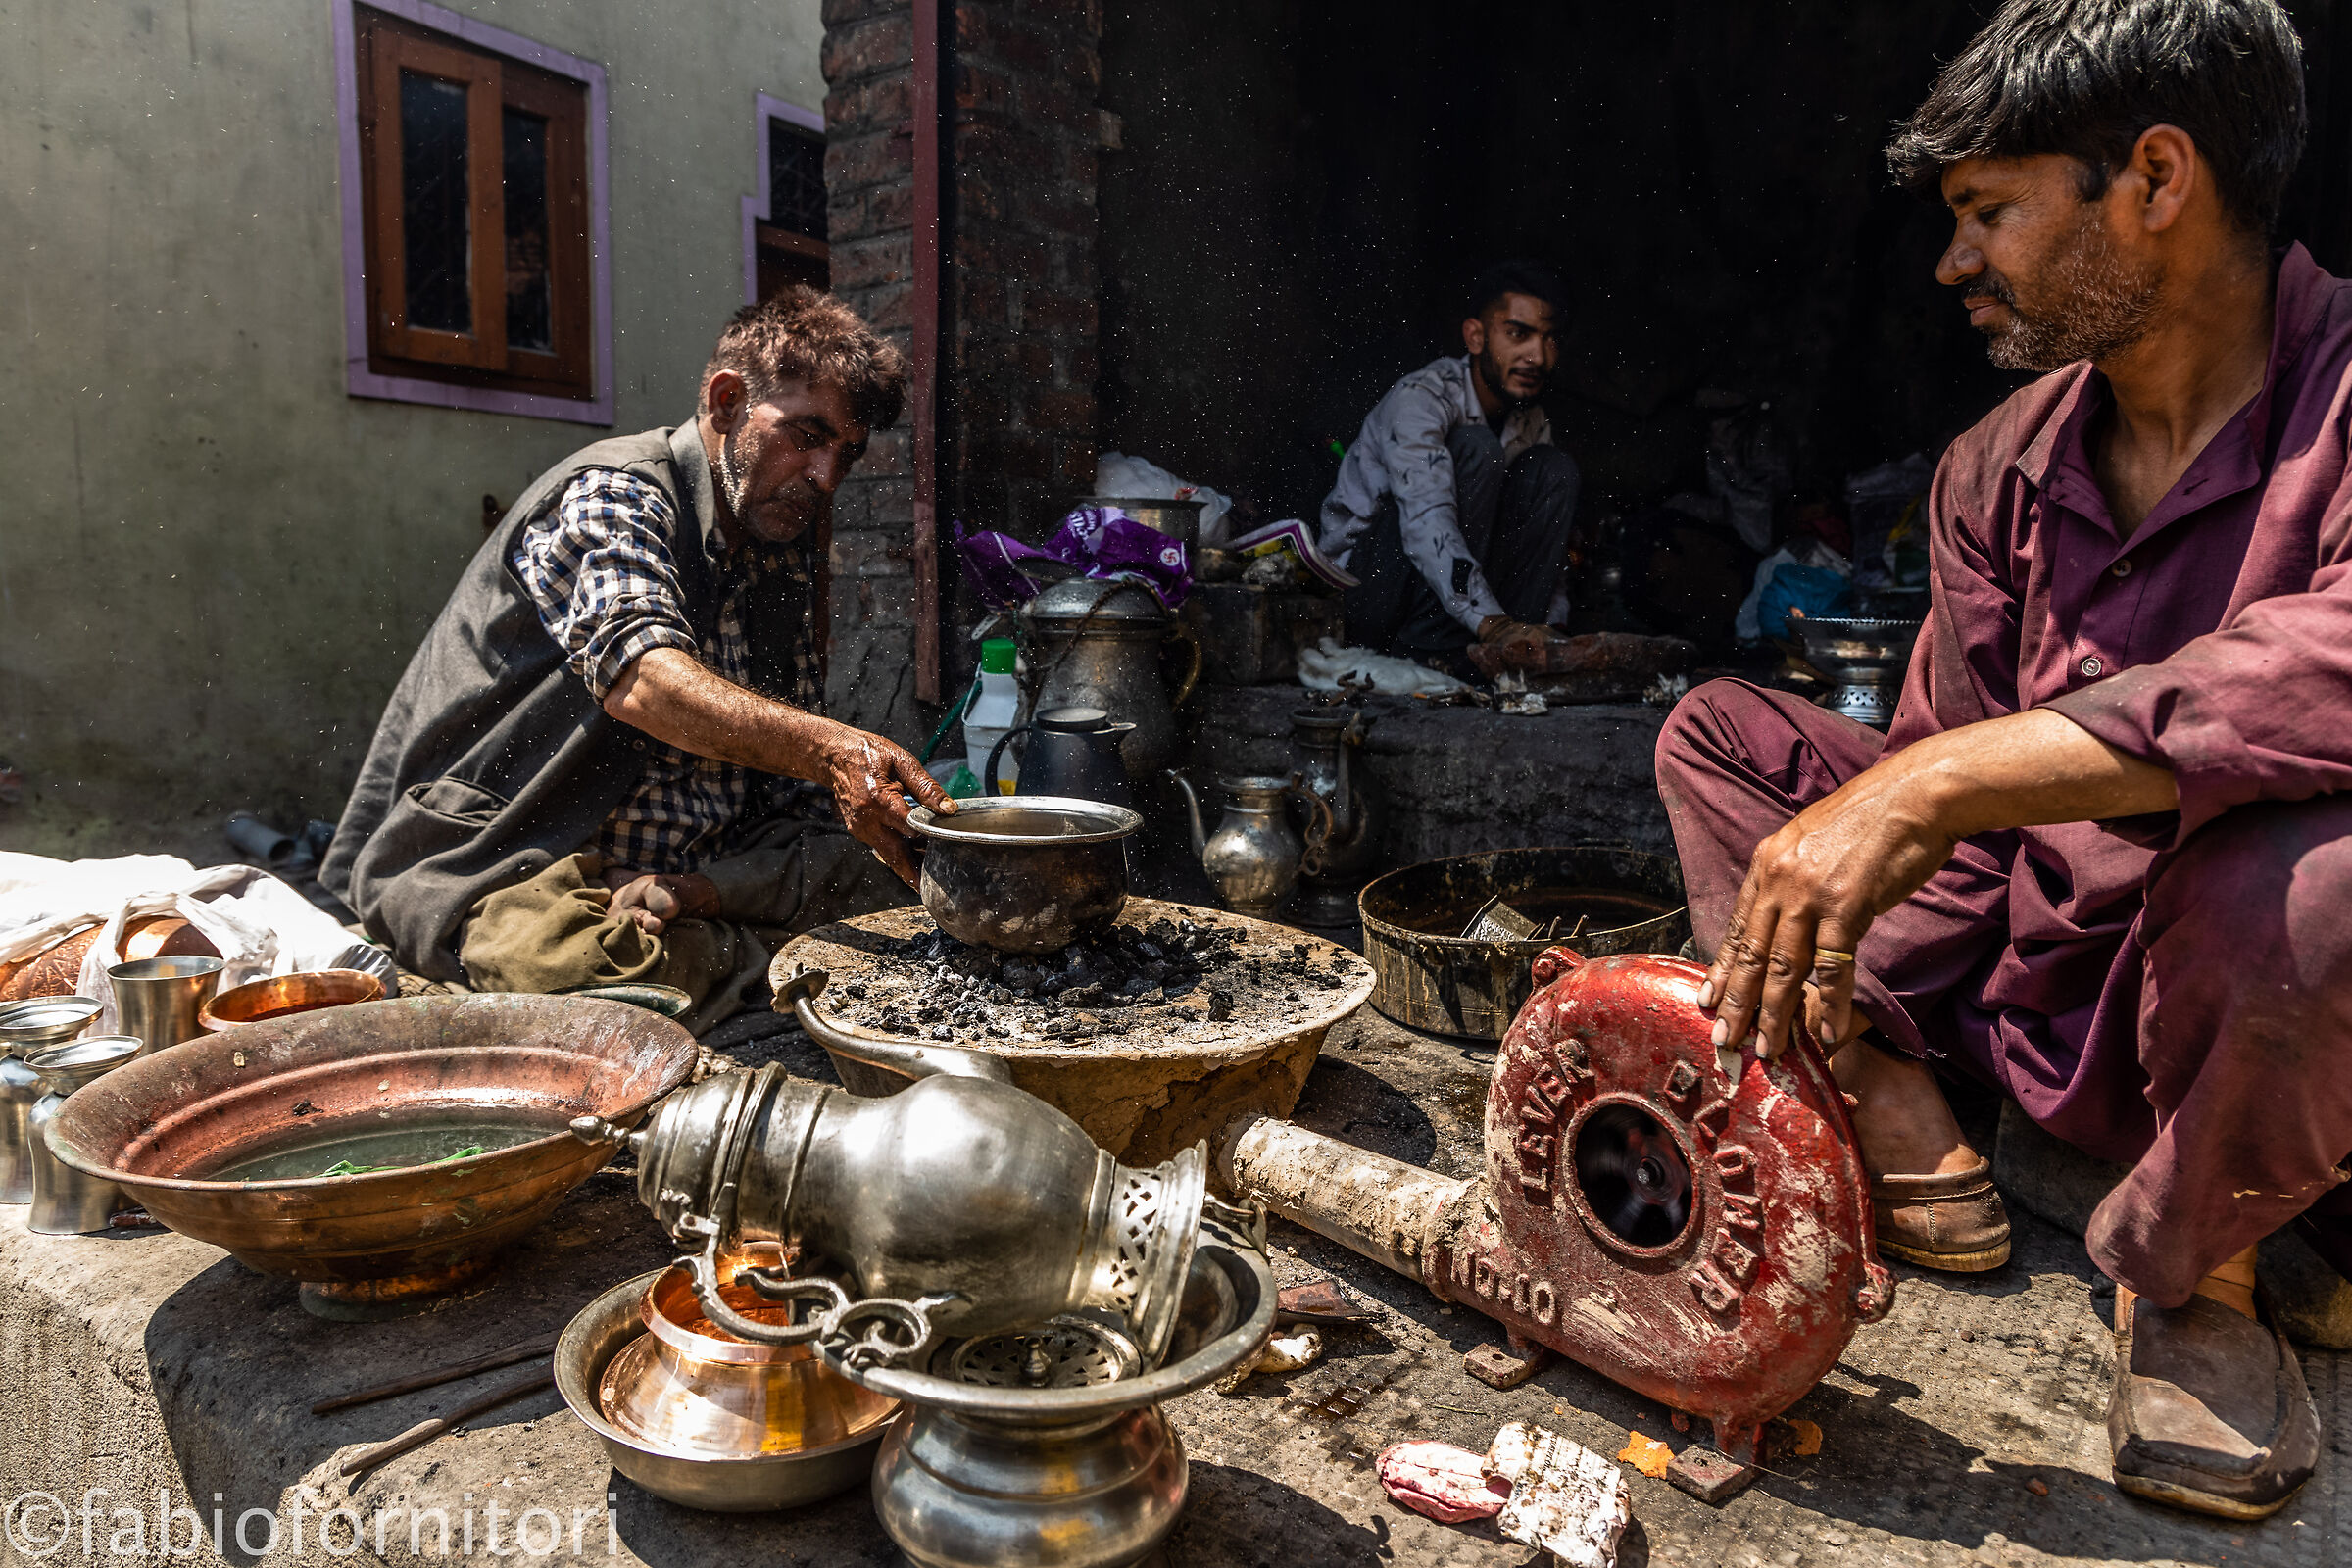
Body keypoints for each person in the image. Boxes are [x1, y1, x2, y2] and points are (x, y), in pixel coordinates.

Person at [1656, 0, 2345, 1520]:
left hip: (2241, 1011)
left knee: (2318, 885)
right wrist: (1892, 839)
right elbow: (1936, 779)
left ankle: (2200, 1281)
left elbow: (2326, 673)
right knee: (1727, 737)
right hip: (2032, 983)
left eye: (1989, 214)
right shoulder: (2002, 460)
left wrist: (1947, 782)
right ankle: (1896, 1084)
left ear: (2156, 182)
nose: (1956, 262)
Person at [322, 288, 951, 1032]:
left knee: (917, 881)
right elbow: (642, 678)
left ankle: (733, 947)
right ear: (726, 402)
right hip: (525, 859)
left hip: (698, 873)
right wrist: (835, 751)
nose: (825, 475)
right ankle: (767, 968)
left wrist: (716, 884)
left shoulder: (776, 549)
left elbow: (789, 794)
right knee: (570, 966)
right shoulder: (616, 493)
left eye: (845, 452)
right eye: (806, 434)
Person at [1318, 262, 1581, 671]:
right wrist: (1489, 622)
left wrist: (1554, 626)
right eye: (1518, 334)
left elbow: (1548, 546)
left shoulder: (1531, 421)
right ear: (1475, 336)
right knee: (1477, 449)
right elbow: (1428, 520)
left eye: (1550, 340)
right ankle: (1433, 654)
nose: (1537, 356)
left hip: (1458, 603)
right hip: (1367, 595)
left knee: (1554, 470)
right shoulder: (1421, 397)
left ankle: (1518, 654)